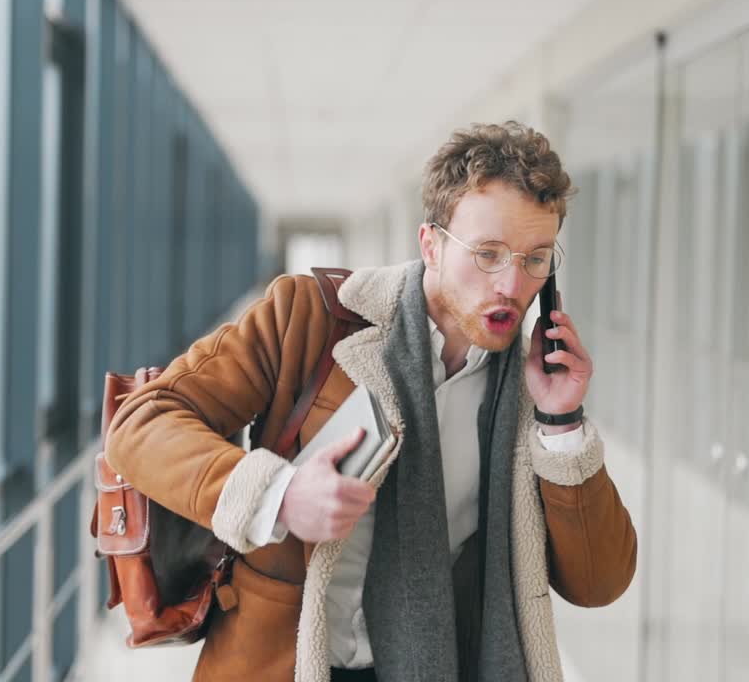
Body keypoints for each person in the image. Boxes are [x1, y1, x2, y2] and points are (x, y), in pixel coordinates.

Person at [105, 121, 638, 682]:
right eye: (487, 253)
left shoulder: (529, 386)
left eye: (535, 259)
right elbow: (142, 422)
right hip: (278, 661)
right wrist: (278, 495)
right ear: (430, 244)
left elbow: (599, 583)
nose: (511, 283)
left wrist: (561, 422)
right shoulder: (307, 318)